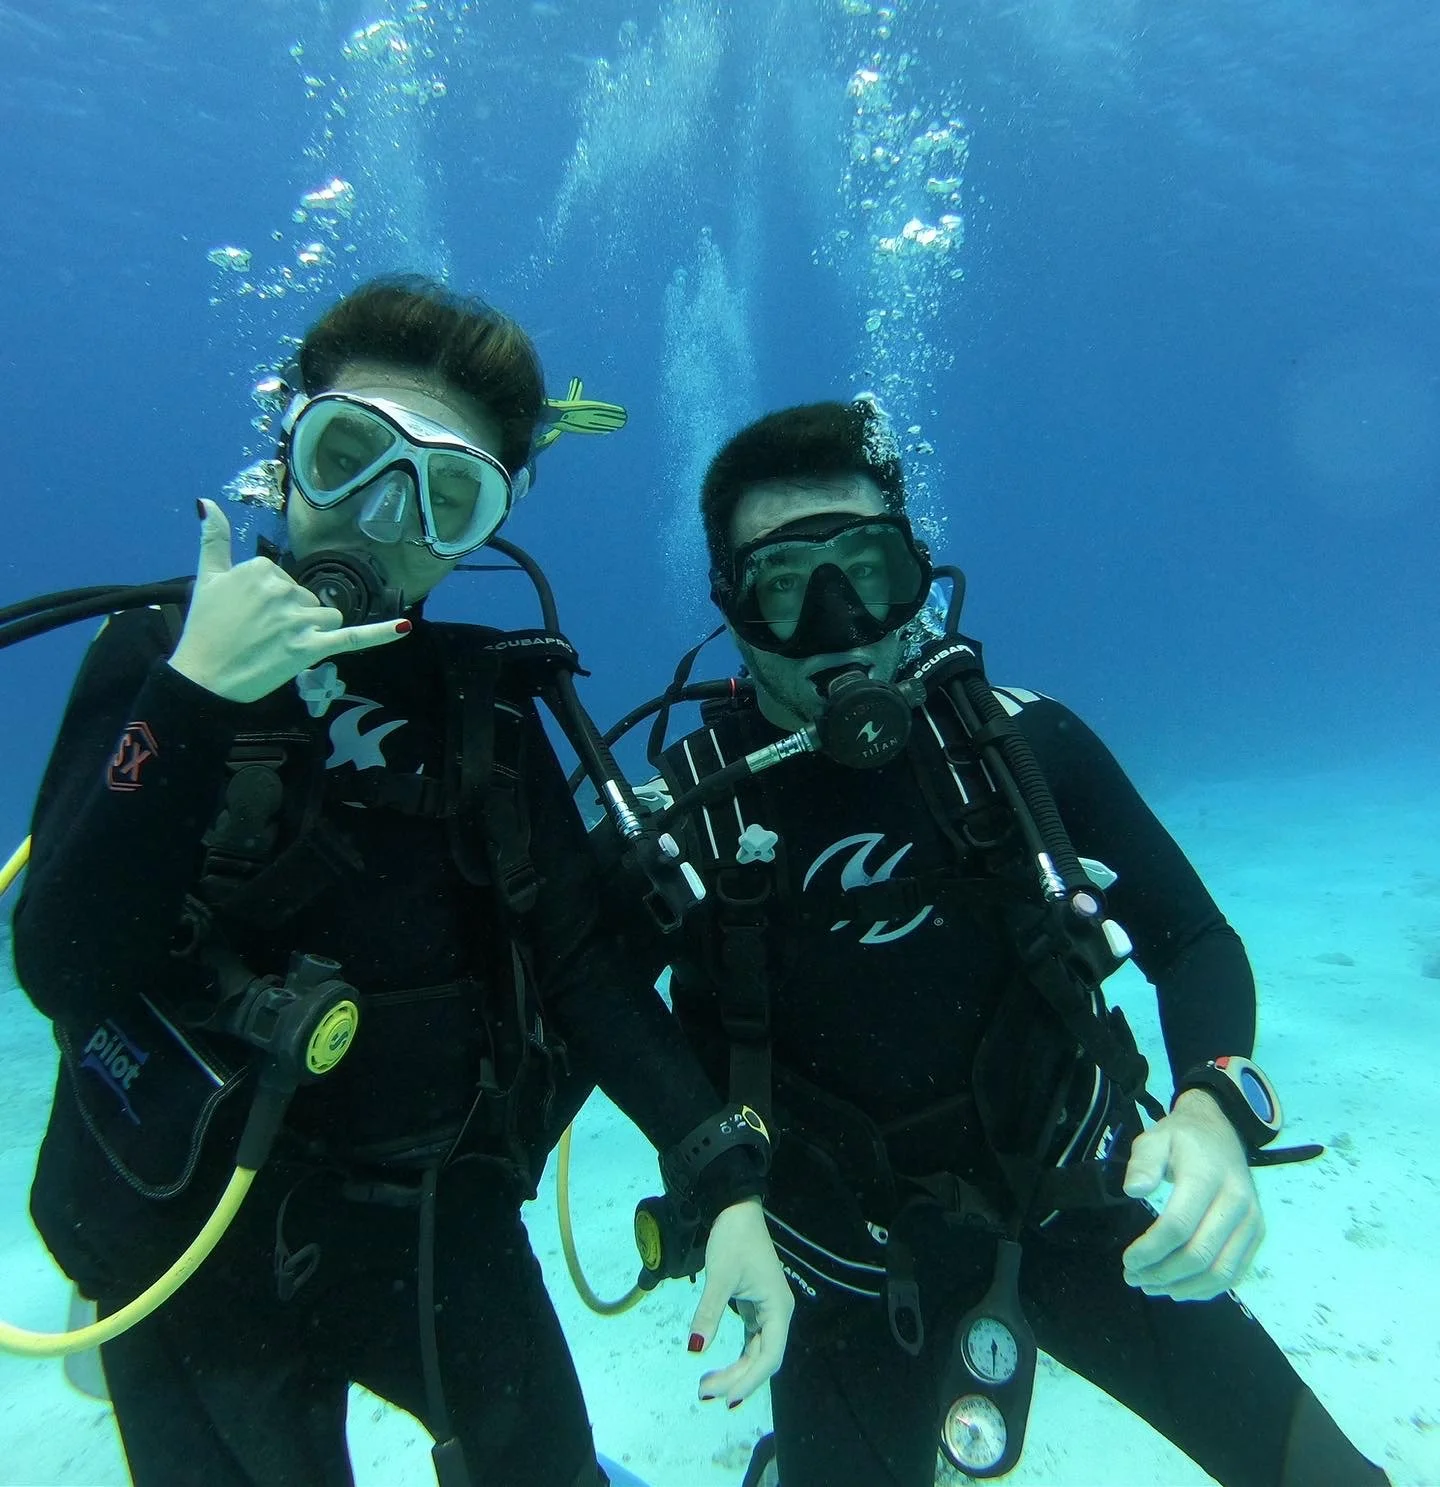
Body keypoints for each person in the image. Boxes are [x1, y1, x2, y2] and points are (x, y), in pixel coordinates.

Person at [11, 276, 791, 1487]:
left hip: (433, 1218)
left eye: (446, 496)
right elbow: (60, 964)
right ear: (288, 456)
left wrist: (725, 1179)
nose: (382, 521)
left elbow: (581, 966)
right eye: (348, 456)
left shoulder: (486, 708)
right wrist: (192, 697)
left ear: (488, 523)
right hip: (184, 1237)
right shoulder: (156, 657)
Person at [598, 399, 1391, 1487]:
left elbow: (1193, 936)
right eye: (787, 581)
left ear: (917, 576)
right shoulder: (684, 817)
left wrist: (1212, 1103)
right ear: (733, 607)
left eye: (866, 569)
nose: (840, 621)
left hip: (1083, 1210)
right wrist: (718, 1186)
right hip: (835, 1272)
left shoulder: (1020, 747)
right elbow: (579, 1005)